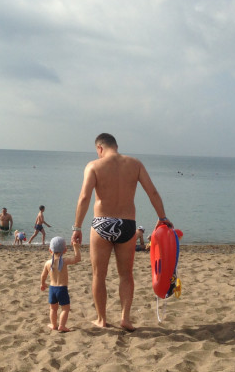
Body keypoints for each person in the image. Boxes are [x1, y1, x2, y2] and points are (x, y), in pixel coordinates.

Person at [72, 133, 172, 331]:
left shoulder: (93, 166)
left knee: (98, 275)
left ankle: (101, 319)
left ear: (100, 148)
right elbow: (152, 192)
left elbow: (84, 197)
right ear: (115, 146)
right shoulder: (135, 164)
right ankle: (125, 318)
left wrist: (77, 227)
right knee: (126, 275)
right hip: (127, 225)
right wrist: (162, 217)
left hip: (102, 223)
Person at [40, 237, 81, 333]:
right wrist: (76, 247)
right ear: (65, 250)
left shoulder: (48, 263)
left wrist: (43, 284)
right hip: (62, 289)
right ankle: (62, 325)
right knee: (65, 309)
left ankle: (53, 325)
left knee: (53, 309)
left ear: (50, 250)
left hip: (52, 289)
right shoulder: (64, 261)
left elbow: (43, 275)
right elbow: (77, 259)